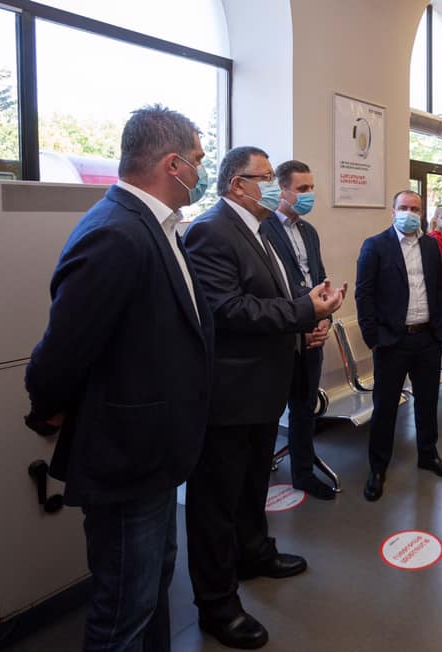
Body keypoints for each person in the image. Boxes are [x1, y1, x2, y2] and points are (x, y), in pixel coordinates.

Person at [24, 105, 213, 651]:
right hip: (127, 456)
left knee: (151, 589)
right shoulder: (116, 233)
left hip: (156, 453)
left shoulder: (157, 226)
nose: (202, 170)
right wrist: (48, 410)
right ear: (173, 164)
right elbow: (61, 352)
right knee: (124, 612)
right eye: (198, 159)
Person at [184, 146, 345, 649]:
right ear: (238, 184)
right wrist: (302, 313)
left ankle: (254, 553)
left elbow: (278, 299)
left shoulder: (256, 230)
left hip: (262, 388)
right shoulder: (211, 230)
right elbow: (227, 309)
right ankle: (217, 603)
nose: (273, 185)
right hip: (230, 393)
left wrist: (310, 321)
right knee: (216, 502)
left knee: (252, 482)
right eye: (266, 177)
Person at [355, 190, 442, 502]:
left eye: (415, 208)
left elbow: (439, 288)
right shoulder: (375, 245)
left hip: (427, 339)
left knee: (428, 401)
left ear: (422, 213)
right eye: (403, 207)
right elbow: (364, 294)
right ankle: (378, 467)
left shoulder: (431, 245)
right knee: (385, 407)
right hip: (392, 342)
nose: (409, 213)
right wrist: (374, 338)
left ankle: (428, 454)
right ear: (393, 211)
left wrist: (440, 331)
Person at [262, 159, 335, 500]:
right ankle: (257, 480)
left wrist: (324, 319)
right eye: (302, 189)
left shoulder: (309, 232)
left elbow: (319, 279)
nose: (309, 195)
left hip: (312, 336)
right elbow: (268, 291)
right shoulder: (263, 229)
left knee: (305, 408)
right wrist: (296, 328)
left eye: (311, 188)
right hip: (281, 337)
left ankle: (303, 474)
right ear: (282, 191)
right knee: (268, 412)